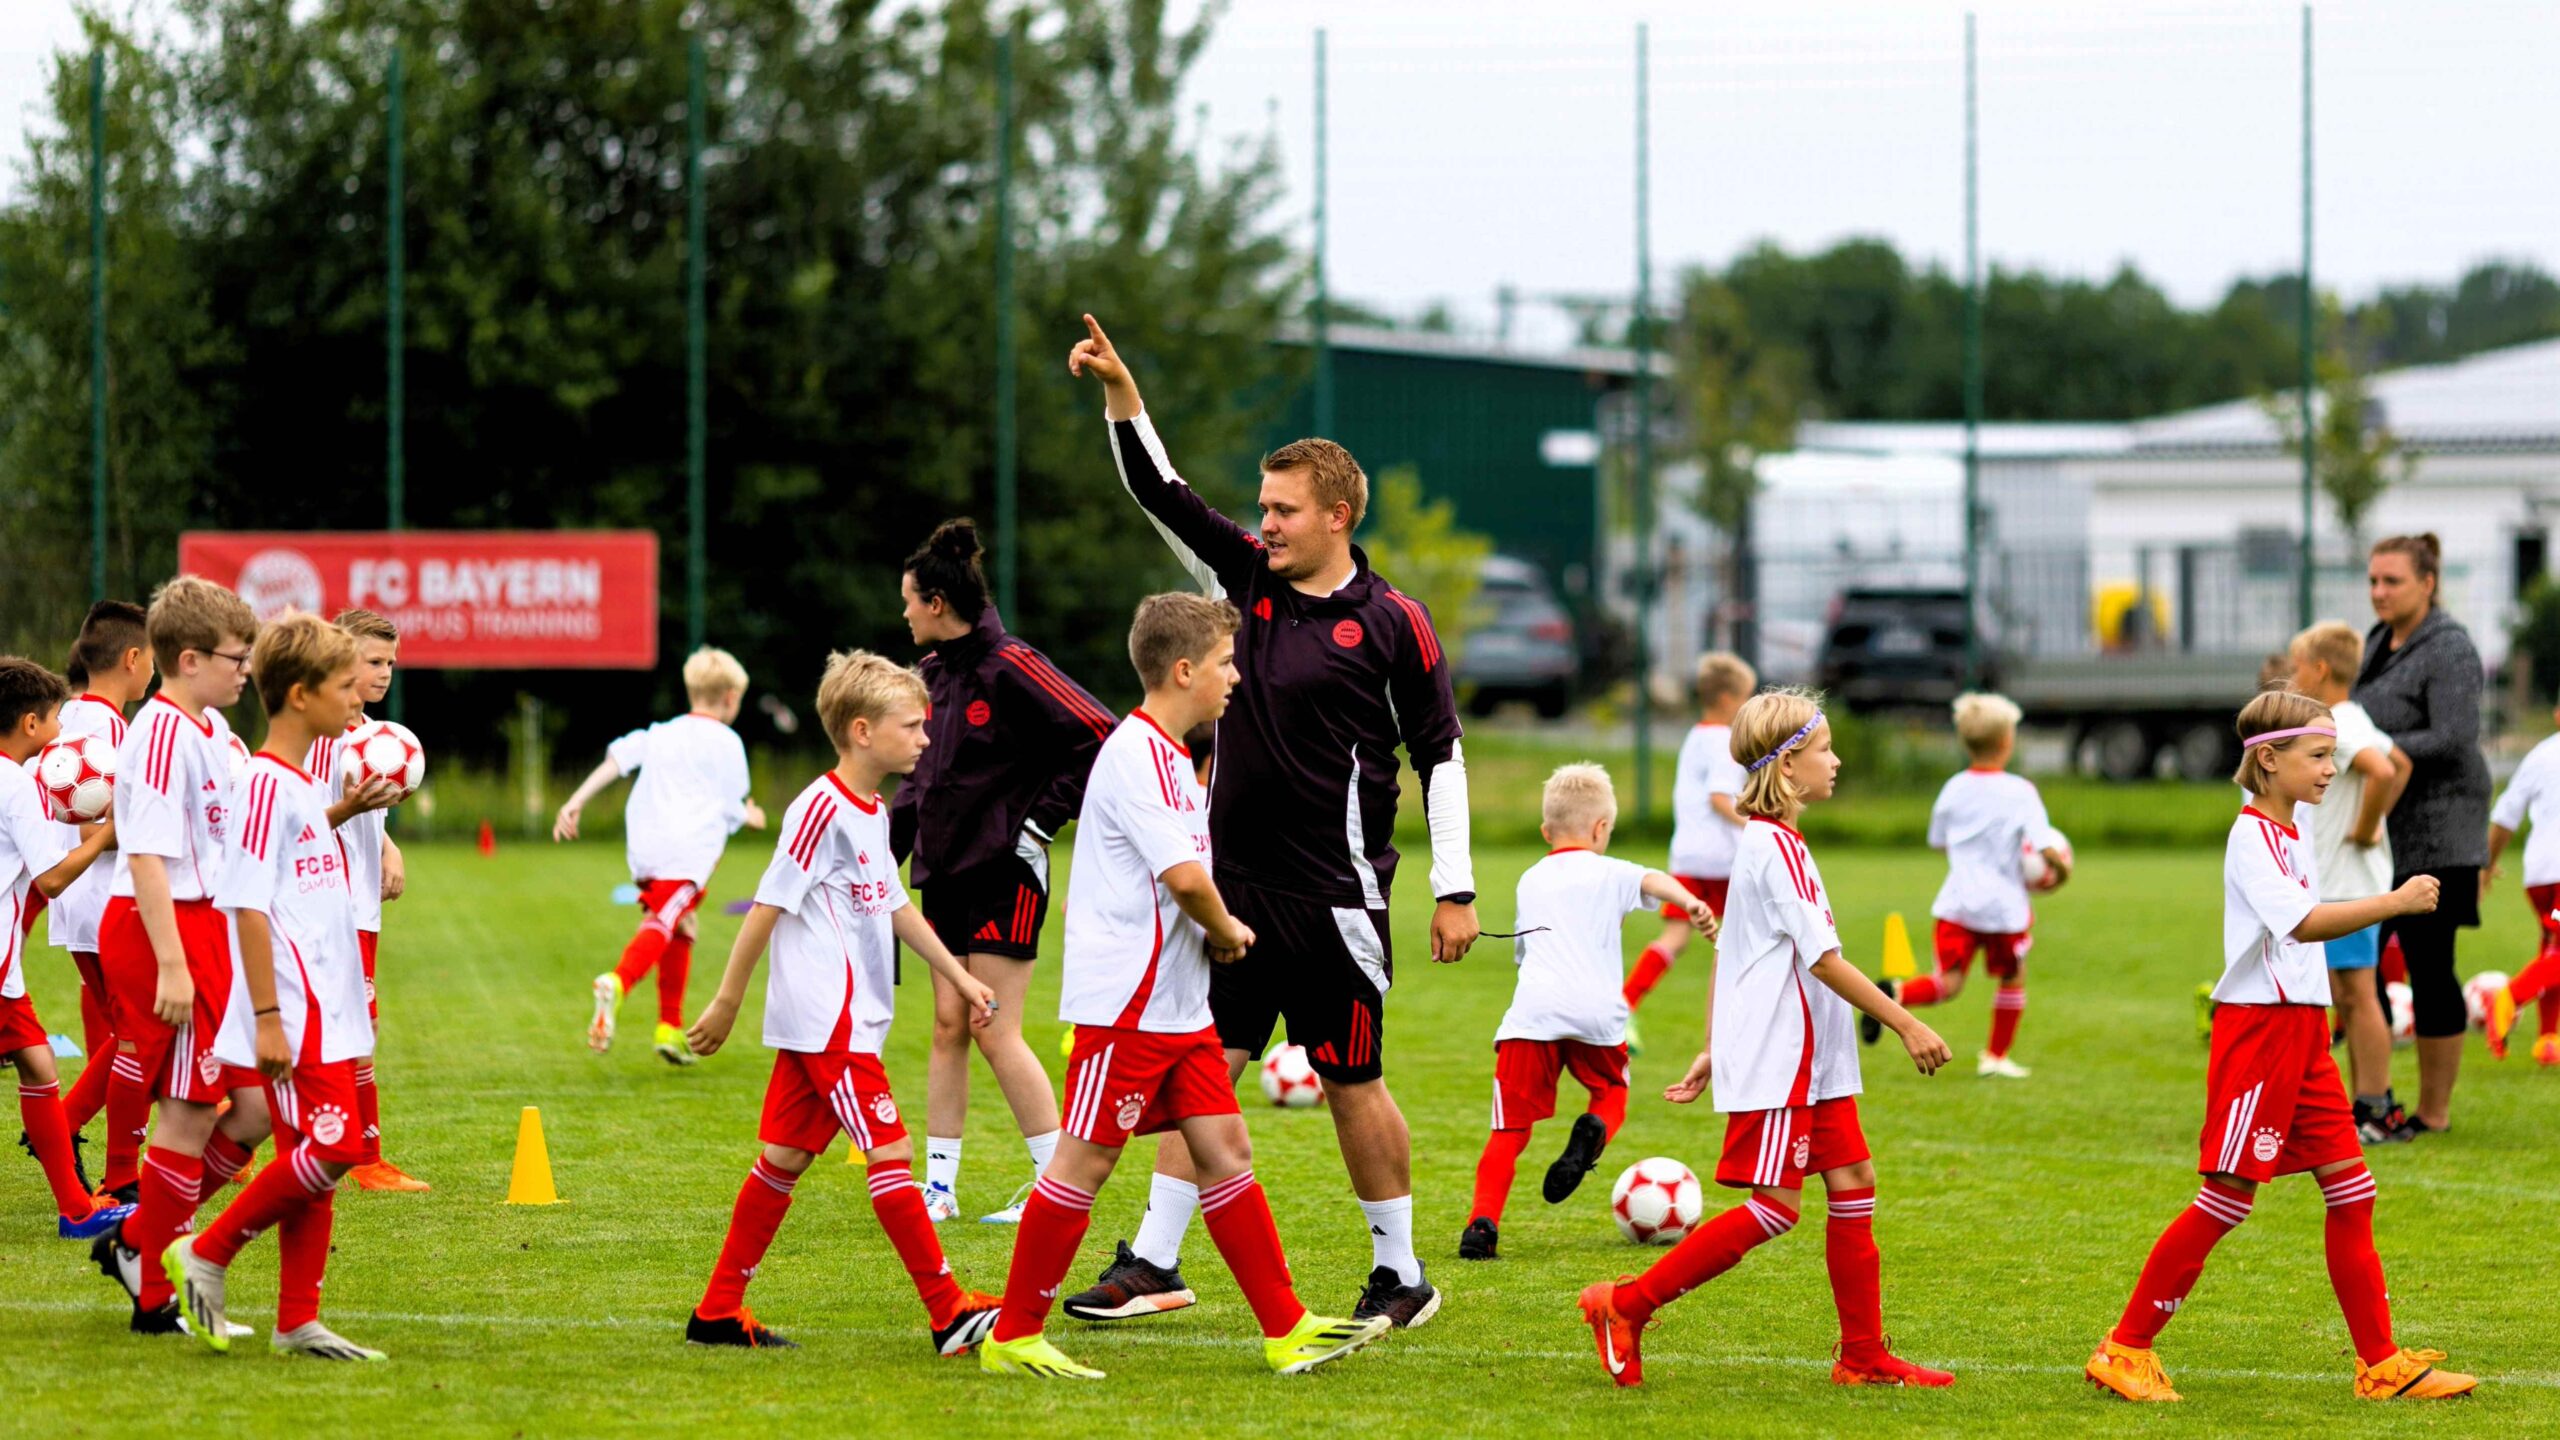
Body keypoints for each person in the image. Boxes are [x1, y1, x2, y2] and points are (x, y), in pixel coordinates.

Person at [1064, 314, 1477, 1327]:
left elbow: (1442, 753)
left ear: (1337, 514)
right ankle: (1156, 1261)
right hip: (1228, 891)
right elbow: (1160, 494)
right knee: (1197, 1070)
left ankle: (1401, 1274)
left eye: (1285, 510)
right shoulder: (1242, 581)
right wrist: (1124, 393)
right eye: (1264, 507)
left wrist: (1454, 886)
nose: (1268, 523)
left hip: (1335, 898)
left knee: (1351, 1082)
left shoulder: (1393, 621)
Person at [979, 593, 1389, 1379]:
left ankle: (1288, 1328)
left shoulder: (1175, 755)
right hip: (1128, 1007)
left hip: (1177, 1005)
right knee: (1082, 1166)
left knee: (1227, 1150)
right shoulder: (1136, 754)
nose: (1238, 676)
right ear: (1183, 670)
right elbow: (1186, 878)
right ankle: (1015, 1334)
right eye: (1228, 663)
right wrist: (1231, 929)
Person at [2086, 689, 2475, 1403]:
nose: (2331, 769)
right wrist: (2393, 901)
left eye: (2332, 755)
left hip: (2302, 1032)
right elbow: (2298, 923)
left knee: (2353, 1191)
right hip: (2260, 1031)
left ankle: (2381, 1364)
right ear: (2268, 759)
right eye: (2318, 755)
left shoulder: (2291, 831)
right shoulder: (2251, 836)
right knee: (2227, 1198)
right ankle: (2125, 1347)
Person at [1578, 690, 1954, 1390]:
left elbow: (1739, 953)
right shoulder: (1771, 849)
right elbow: (1822, 960)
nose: (1836, 761)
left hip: (1815, 1063)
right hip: (1787, 1060)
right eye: (1823, 750)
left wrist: (1713, 1045)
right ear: (1786, 768)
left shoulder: (1778, 841)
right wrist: (1907, 1021)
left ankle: (1863, 1356)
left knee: (1854, 1184)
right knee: (1774, 1210)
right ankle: (1625, 1305)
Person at [680, 651, 1004, 1355]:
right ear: (862, 730)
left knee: (784, 1160)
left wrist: (960, 974)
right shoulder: (819, 807)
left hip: (838, 1023)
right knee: (891, 1151)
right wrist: (728, 1000)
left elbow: (895, 907)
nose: (924, 738)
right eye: (912, 726)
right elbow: (767, 904)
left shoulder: (870, 812)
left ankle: (716, 1310)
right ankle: (948, 1311)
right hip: (832, 1022)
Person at [164, 615, 389, 1360]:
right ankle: (208, 1250)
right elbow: (248, 901)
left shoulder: (296, 784)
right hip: (293, 1008)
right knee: (336, 1147)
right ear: (299, 695)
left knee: (313, 1161)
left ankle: (298, 1321)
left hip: (331, 1002)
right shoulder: (263, 781)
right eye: (344, 685)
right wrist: (266, 1017)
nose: (359, 697)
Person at [891, 518, 1112, 1225]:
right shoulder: (927, 677)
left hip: (1006, 873)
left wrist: (1039, 822)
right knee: (949, 1024)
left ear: (935, 602)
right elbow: (913, 782)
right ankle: (940, 1188)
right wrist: (883, 851)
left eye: (907, 599)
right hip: (945, 873)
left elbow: (1100, 733)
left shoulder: (1012, 663)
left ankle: (1056, 1184)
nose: (902, 612)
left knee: (993, 1025)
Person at [93, 577, 275, 1333]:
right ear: (191, 657)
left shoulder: (213, 732)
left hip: (209, 930)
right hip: (168, 930)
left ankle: (139, 1239)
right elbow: (146, 858)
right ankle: (159, 1294)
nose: (247, 670)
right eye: (238, 657)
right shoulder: (163, 733)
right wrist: (173, 962)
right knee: (192, 1110)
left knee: (258, 1108)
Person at [1459, 763, 1715, 1261]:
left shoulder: (1530, 878)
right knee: (1611, 1091)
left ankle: (1482, 1225)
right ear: (1602, 829)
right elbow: (1655, 879)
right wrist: (1690, 901)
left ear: (1545, 832)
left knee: (1508, 1129)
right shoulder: (1613, 870)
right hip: (1597, 1012)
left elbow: (1523, 953)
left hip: (1532, 1013)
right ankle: (1591, 1134)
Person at [556, 646, 766, 1065]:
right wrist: (751, 814)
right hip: (686, 855)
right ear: (729, 697)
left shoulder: (659, 732)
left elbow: (615, 760)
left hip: (647, 850)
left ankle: (669, 1029)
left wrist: (575, 801)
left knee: (684, 924)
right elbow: (731, 802)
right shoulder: (728, 742)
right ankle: (617, 982)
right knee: (666, 920)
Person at [2352, 533, 2491, 1136]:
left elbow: (2456, 736)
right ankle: (2373, 1105)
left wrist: (2369, 749)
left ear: (2427, 583)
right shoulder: (2378, 641)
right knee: (2361, 966)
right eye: (2374, 580)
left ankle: (2433, 1114)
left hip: (2442, 827)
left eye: (2393, 581)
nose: (2379, 592)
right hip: (2382, 830)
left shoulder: (2451, 647)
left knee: (2431, 965)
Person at [1869, 693, 2067, 1078]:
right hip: (2003, 910)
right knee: (2013, 975)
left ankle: (1895, 995)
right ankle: (1995, 1057)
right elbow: (2045, 848)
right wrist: (2060, 872)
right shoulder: (2021, 791)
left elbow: (1938, 840)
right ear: (2007, 743)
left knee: (1949, 982)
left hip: (1957, 903)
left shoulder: (1953, 788)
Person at [0, 656, 128, 1238]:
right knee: (37, 1064)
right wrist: (109, 830)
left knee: (38, 1061)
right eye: (54, 719)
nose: (62, 732)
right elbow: (50, 878)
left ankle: (77, 1208)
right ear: (30, 724)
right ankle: (78, 1208)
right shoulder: (18, 783)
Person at [302, 609, 425, 1191]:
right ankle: (363, 1160)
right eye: (373, 662)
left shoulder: (372, 737)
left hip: (359, 908)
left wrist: (387, 847)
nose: (384, 674)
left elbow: (363, 819)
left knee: (352, 1030)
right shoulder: (322, 740)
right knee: (348, 1032)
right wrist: (352, 814)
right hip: (330, 908)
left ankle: (355, 1154)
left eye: (391, 664)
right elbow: (295, 825)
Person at [2289, 623, 2414, 1133]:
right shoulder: (2354, 716)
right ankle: (2365, 1105)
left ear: (2320, 669)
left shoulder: (2335, 721)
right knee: (2351, 994)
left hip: (2344, 882)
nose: (2293, 677)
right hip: (2356, 879)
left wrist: (2365, 831)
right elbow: (2401, 763)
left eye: (2297, 668)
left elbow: (2384, 772)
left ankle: (2375, 1108)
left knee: (2357, 994)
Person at [47, 601, 153, 1197]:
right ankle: (83, 1147)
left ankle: (111, 1168)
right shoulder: (106, 729)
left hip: (87, 905)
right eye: (153, 661)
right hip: (105, 901)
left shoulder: (73, 718)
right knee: (135, 1039)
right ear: (133, 659)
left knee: (128, 1037)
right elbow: (95, 829)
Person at [1622, 653, 1753, 1048]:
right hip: (1721, 861)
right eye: (1747, 698)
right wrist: (1761, 827)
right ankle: (1724, 1035)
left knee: (1675, 937)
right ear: (1729, 699)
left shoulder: (1696, 736)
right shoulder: (1724, 743)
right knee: (1733, 943)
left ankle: (1624, 1006)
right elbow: (1720, 799)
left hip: (1688, 856)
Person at [2480, 702, 2560, 1065]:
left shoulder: (2540, 755)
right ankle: (2508, 997)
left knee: (2552, 951)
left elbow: (2505, 814)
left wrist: (2489, 863)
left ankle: (2548, 1038)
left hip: (2539, 874)